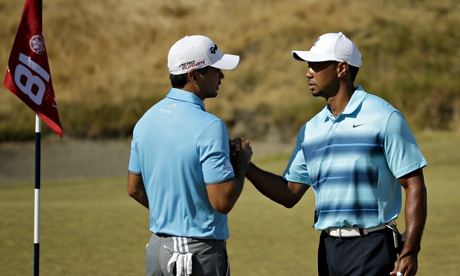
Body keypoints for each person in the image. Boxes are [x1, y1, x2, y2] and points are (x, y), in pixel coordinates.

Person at [243, 32, 427, 276]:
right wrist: (246, 167)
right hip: (328, 248)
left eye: (316, 65)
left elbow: (414, 184)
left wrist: (410, 249)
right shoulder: (311, 129)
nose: (309, 72)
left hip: (372, 246)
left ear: (341, 68)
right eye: (309, 66)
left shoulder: (384, 117)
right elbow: (289, 193)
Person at [127, 35, 252, 276]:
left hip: (156, 249)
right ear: (194, 75)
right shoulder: (210, 126)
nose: (221, 76)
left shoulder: (145, 120)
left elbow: (134, 188)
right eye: (215, 70)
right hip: (195, 254)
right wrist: (241, 163)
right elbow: (222, 201)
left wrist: (172, 217)